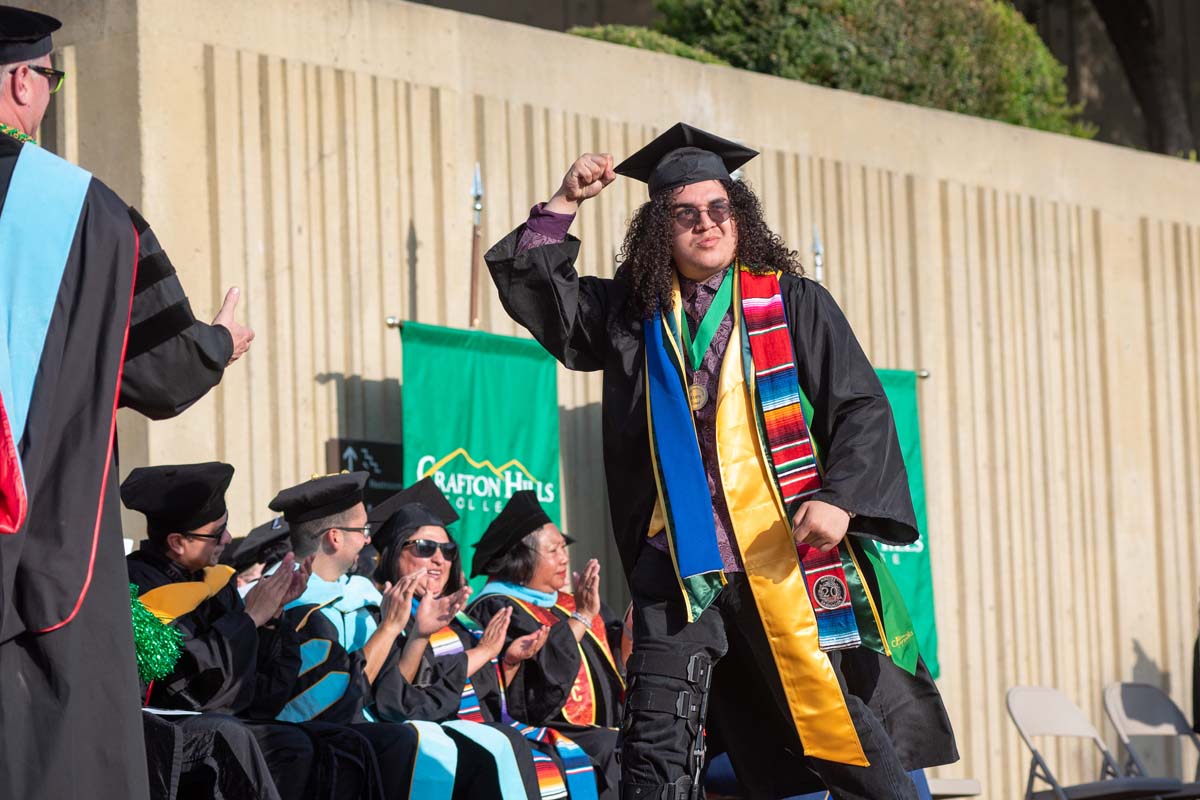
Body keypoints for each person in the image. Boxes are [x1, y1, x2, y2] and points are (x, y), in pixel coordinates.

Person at [484, 122, 957, 799]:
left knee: (834, 728)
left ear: (741, 217)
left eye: (719, 209)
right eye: (685, 214)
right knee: (656, 736)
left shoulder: (795, 305)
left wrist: (841, 496)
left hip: (781, 555)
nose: (706, 224)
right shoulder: (634, 315)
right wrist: (563, 204)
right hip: (677, 563)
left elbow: (860, 409)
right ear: (660, 229)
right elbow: (548, 304)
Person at [0, 7, 253, 798]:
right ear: (21, 82)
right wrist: (218, 339)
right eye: (50, 76)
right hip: (45, 551)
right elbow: (164, 375)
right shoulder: (85, 214)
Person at [122, 461, 382, 800]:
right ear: (177, 542)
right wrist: (249, 620)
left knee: (340, 744)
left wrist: (272, 620)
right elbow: (190, 687)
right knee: (262, 741)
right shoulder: (135, 588)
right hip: (157, 726)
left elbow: (259, 696)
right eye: (217, 532)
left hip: (216, 719)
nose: (227, 539)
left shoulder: (215, 584)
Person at [369, 478, 602, 800]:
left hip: (475, 726)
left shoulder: (460, 620)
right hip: (425, 731)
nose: (439, 559)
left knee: (583, 753)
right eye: (425, 548)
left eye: (447, 549)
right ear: (394, 553)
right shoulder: (379, 612)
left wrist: (507, 662)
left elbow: (489, 697)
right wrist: (423, 635)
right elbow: (397, 698)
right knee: (513, 748)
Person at [268, 471, 480, 800]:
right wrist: (390, 628)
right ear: (335, 538)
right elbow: (333, 703)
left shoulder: (361, 597)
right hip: (318, 741)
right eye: (362, 531)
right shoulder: (293, 605)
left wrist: (415, 634)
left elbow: (388, 690)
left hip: (374, 725)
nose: (369, 540)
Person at [468, 491, 623, 800]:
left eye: (564, 548)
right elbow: (534, 687)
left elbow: (618, 656)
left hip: (605, 728)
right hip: (543, 728)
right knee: (613, 748)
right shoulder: (499, 607)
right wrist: (582, 618)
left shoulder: (568, 602)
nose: (564, 558)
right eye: (553, 550)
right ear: (523, 558)